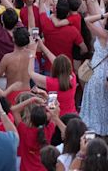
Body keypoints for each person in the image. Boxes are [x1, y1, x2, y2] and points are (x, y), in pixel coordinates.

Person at [28, 40, 77, 116]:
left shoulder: (52, 83)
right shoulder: (73, 77)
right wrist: (42, 45)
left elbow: (31, 72)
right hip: (72, 115)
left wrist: (32, 52)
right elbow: (58, 63)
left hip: (57, 117)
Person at [80, 8, 108, 136]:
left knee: (95, 102)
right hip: (105, 72)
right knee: (103, 103)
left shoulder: (104, 35)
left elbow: (87, 20)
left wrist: (103, 15)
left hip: (97, 72)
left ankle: (94, 130)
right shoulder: (104, 33)